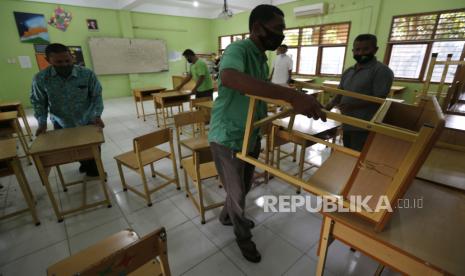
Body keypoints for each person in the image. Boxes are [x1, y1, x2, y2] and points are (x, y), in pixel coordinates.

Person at [208, 4, 325, 263]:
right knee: (237, 193)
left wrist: (290, 99)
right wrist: (290, 95)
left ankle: (226, 216)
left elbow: (260, 90)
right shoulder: (238, 49)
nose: (282, 34)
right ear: (257, 28)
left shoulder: (262, 57)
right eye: (278, 29)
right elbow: (228, 77)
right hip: (227, 136)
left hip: (250, 133)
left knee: (245, 185)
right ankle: (242, 237)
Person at [30, 43, 104, 177]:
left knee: (93, 147)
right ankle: (84, 164)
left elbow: (96, 95)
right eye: (58, 62)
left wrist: (97, 115)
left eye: (67, 60)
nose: (64, 64)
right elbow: (39, 102)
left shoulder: (86, 74)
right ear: (48, 60)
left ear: (72, 58)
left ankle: (95, 169)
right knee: (74, 147)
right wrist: (42, 123)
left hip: (87, 119)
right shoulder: (41, 78)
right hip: (61, 121)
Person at [325, 34, 394, 151]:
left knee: (358, 155)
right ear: (352, 51)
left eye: (366, 49)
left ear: (375, 49)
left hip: (365, 126)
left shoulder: (381, 71)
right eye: (357, 49)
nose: (361, 53)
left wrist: (353, 106)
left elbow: (380, 99)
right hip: (347, 122)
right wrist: (327, 107)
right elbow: (340, 92)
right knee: (349, 152)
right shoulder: (349, 71)